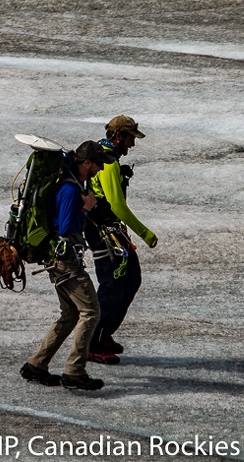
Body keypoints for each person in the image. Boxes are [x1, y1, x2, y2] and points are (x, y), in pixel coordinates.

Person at [21, 141, 115, 391]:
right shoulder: (71, 190)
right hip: (65, 260)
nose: (99, 169)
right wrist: (86, 209)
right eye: (97, 165)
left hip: (58, 260)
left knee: (71, 313)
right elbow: (65, 227)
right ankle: (74, 371)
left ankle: (36, 365)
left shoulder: (74, 184)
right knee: (91, 311)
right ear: (86, 163)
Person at [85, 115, 158, 364]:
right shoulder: (108, 163)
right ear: (118, 136)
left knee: (131, 279)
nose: (132, 145)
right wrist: (145, 233)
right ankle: (92, 342)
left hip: (109, 230)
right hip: (102, 232)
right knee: (112, 285)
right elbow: (117, 205)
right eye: (130, 138)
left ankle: (104, 333)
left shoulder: (108, 157)